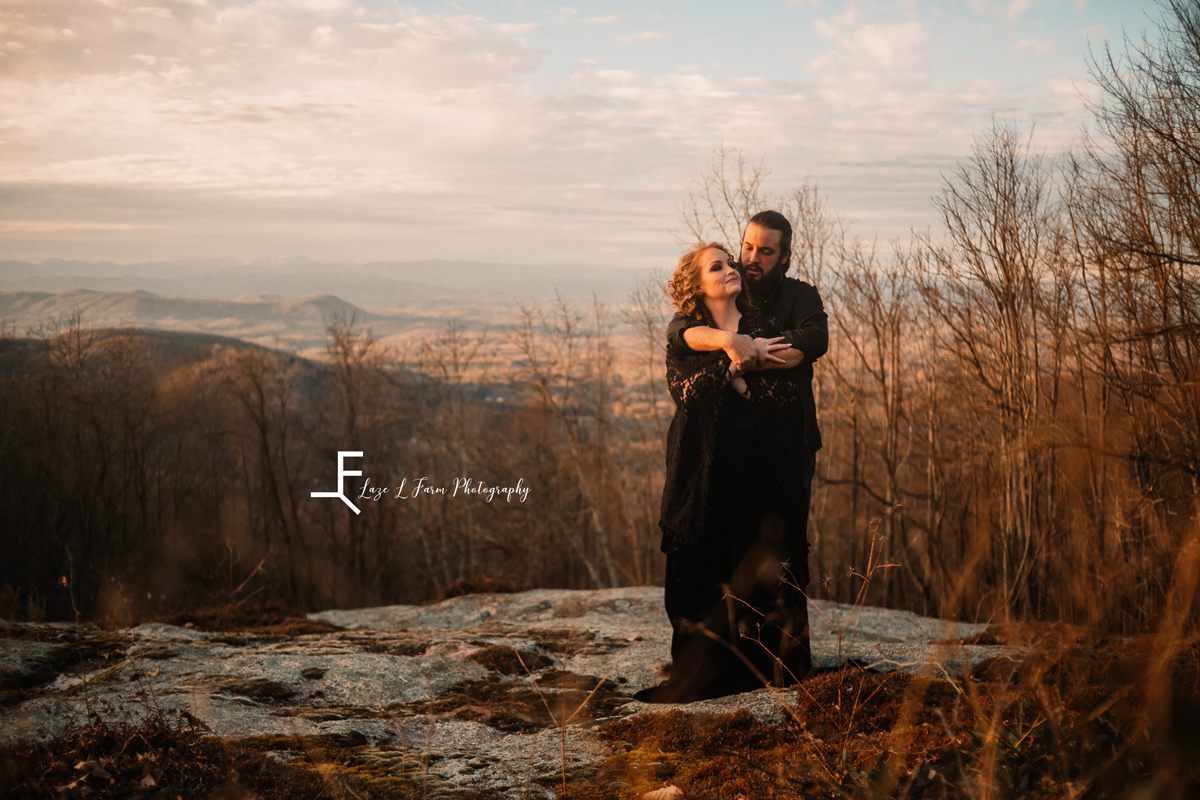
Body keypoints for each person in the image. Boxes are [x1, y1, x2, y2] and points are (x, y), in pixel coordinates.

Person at [654, 240, 815, 702]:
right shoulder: (685, 335)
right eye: (717, 266)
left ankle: (769, 668)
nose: (730, 270)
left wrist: (742, 381)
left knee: (764, 573)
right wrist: (735, 362)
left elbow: (786, 399)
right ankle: (705, 673)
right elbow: (688, 394)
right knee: (703, 576)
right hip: (703, 482)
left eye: (730, 263)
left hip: (760, 476)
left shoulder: (765, 326)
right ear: (697, 285)